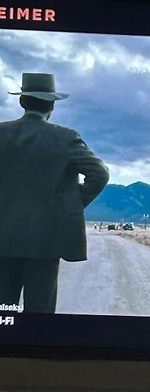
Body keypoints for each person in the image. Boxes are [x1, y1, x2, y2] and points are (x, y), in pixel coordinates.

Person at [0, 72, 109, 312]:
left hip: (3, 239)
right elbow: (99, 174)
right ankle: (35, 347)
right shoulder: (65, 138)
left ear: (22, 101)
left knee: (3, 310)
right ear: (51, 105)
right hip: (46, 242)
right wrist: (70, 204)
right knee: (40, 312)